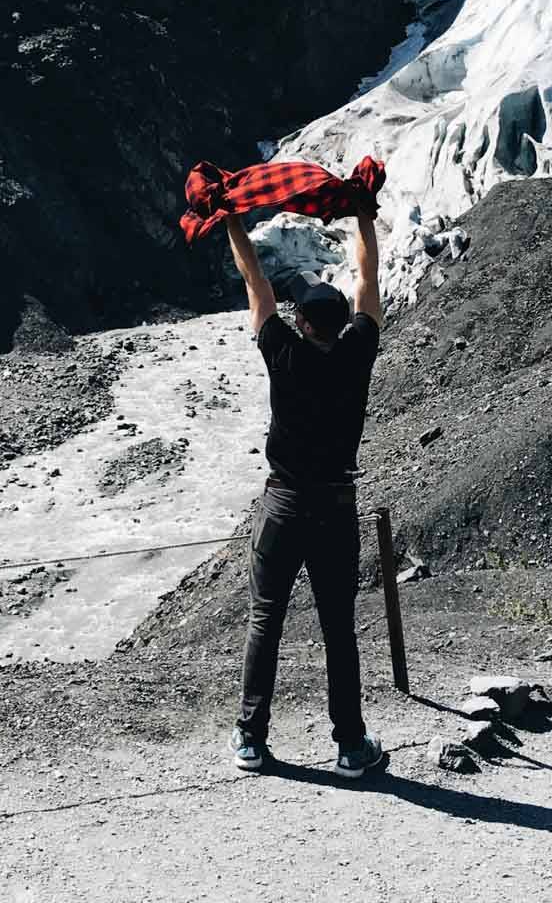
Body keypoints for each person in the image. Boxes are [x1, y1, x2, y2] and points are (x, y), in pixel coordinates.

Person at [223, 208, 385, 778]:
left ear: (303, 322)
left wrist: (232, 221)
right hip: (336, 505)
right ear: (339, 322)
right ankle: (350, 746)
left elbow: (255, 283)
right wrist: (363, 215)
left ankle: (250, 739)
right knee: (338, 625)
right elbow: (367, 279)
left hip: (284, 501)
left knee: (265, 617)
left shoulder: (282, 352)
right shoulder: (357, 349)